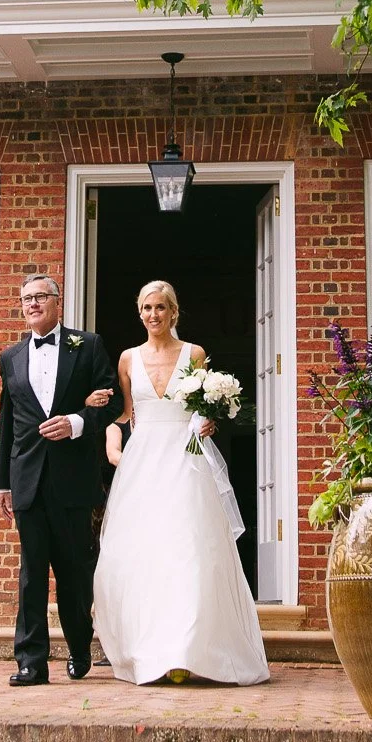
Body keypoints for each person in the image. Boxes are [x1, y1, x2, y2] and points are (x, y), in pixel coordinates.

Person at [92, 279, 269, 687]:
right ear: (140, 314)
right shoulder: (127, 359)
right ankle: (149, 649)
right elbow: (126, 413)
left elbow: (201, 409)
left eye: (161, 308)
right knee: (140, 553)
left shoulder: (195, 354)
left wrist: (208, 421)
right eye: (146, 308)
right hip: (142, 465)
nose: (153, 315)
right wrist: (111, 438)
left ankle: (185, 649)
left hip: (185, 460)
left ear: (174, 312)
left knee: (187, 549)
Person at [0, 273, 119, 686]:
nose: (32, 304)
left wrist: (78, 422)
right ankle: (30, 662)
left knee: (73, 572)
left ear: (57, 302)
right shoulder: (10, 357)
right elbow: (8, 423)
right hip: (27, 477)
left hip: (72, 477)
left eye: (40, 297)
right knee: (31, 572)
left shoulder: (88, 346)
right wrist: (2, 484)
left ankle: (80, 648)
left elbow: (112, 399)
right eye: (26, 298)